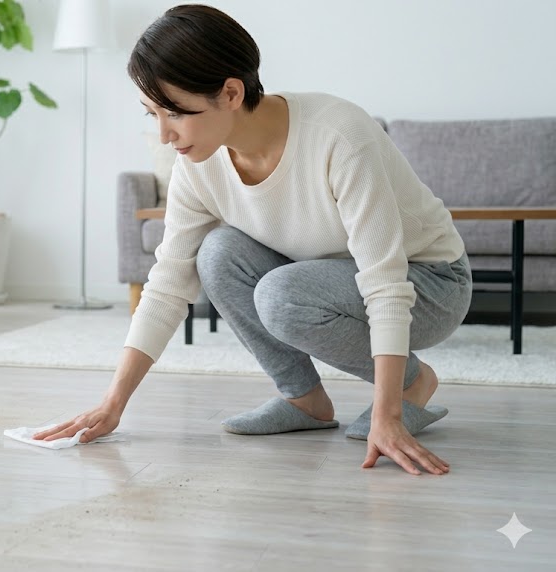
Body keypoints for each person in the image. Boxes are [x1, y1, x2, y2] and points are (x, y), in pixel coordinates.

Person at [33, 4, 472, 476]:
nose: (164, 135)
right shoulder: (197, 167)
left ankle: (411, 385)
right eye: (152, 113)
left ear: (230, 92)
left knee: (282, 295)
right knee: (218, 253)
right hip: (323, 279)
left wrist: (388, 416)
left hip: (428, 283)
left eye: (176, 113)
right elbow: (167, 285)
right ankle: (305, 402)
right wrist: (112, 404)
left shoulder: (338, 135)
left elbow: (384, 280)